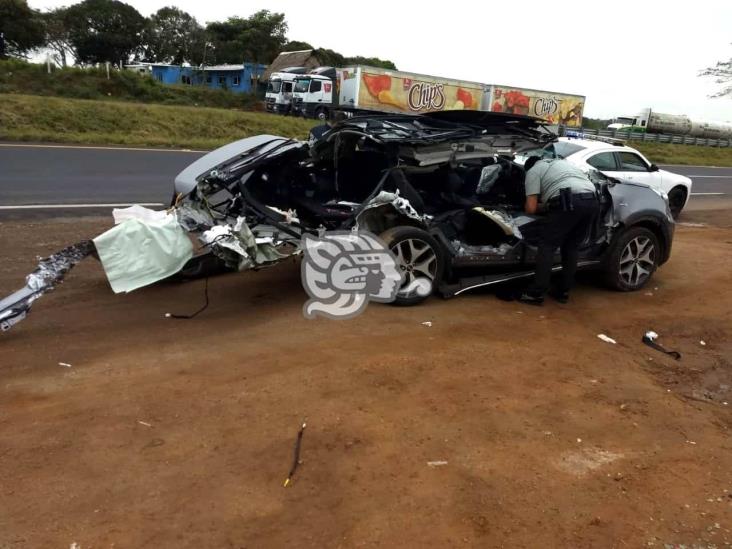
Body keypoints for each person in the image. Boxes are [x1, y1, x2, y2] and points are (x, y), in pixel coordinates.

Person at [518, 156, 600, 305]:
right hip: (592, 201)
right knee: (571, 247)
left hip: (568, 201)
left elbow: (530, 208)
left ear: (528, 167)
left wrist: (544, 206)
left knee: (547, 245)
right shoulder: (562, 163)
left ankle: (536, 293)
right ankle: (562, 291)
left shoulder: (533, 171)